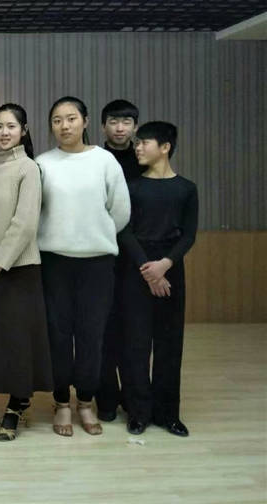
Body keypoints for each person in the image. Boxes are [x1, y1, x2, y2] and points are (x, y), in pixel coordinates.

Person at [36, 96, 130, 437]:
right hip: (54, 262)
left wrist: (94, 235)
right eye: (57, 120)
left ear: (86, 121)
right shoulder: (43, 163)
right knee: (58, 334)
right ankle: (62, 402)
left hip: (97, 263)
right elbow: (36, 212)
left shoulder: (105, 161)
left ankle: (86, 402)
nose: (64, 126)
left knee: (92, 334)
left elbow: (120, 211)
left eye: (71, 118)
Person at [0, 104, 53, 441]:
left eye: (11, 126)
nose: (4, 133)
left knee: (18, 341)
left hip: (19, 269)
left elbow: (25, 222)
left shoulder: (28, 168)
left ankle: (17, 406)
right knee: (2, 340)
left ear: (24, 130)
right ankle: (16, 401)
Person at [119, 122, 198, 437]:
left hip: (171, 266)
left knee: (169, 343)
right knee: (135, 344)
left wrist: (164, 265)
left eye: (144, 143)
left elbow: (189, 235)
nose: (137, 148)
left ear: (165, 147)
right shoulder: (132, 187)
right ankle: (138, 412)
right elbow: (124, 230)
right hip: (137, 266)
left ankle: (168, 414)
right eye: (137, 143)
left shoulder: (186, 188)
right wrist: (148, 268)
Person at [97, 99, 147, 422]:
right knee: (101, 330)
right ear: (103, 126)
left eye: (126, 122)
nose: (119, 128)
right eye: (113, 122)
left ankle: (133, 397)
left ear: (135, 127)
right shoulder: (94, 159)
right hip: (101, 255)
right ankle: (105, 398)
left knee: (133, 332)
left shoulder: (144, 161)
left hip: (136, 257)